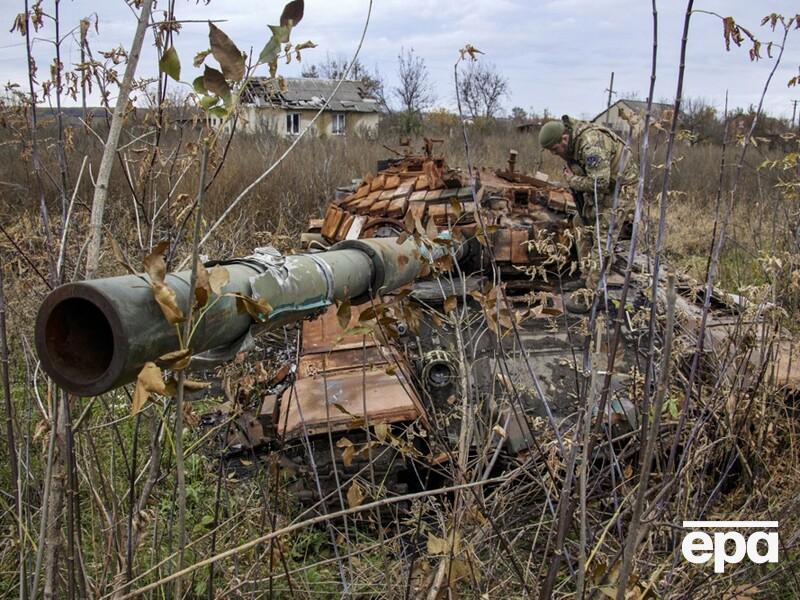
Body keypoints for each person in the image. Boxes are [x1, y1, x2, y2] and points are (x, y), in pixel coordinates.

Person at [539, 115, 638, 309]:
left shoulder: (590, 143)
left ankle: (593, 294)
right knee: (580, 222)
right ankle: (586, 278)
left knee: (602, 238)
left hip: (622, 189)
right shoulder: (574, 144)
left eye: (555, 149)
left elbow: (599, 182)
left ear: (564, 139)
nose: (554, 154)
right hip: (607, 187)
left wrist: (573, 180)